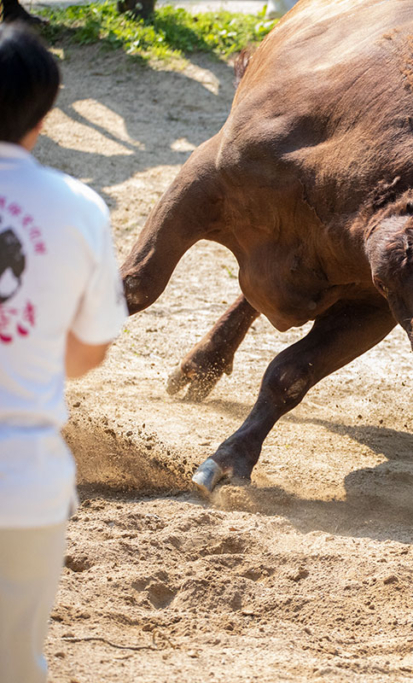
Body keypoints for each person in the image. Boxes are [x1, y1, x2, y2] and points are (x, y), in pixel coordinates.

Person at [0, 23, 127, 683]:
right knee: (16, 664)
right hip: (24, 484)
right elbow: (86, 355)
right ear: (45, 119)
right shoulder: (78, 209)